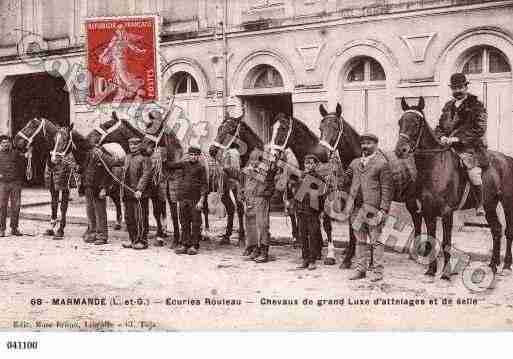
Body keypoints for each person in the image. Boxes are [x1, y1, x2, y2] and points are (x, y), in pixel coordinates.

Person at [435, 72, 488, 215]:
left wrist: (458, 139)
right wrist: (441, 137)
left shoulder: (476, 105)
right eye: (454, 88)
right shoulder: (448, 106)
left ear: (466, 87)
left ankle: (480, 204)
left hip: (470, 147)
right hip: (448, 147)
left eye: (460, 87)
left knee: (473, 173)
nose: (457, 91)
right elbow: (439, 126)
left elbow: (479, 128)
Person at [344, 133, 392, 282]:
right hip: (356, 209)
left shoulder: (382, 163)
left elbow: (387, 189)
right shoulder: (355, 163)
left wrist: (383, 210)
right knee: (360, 241)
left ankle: (378, 272)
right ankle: (360, 270)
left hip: (373, 209)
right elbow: (344, 180)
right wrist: (335, 169)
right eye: (363, 143)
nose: (365, 146)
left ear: (376, 145)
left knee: (376, 241)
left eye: (369, 143)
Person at [165, 146, 208, 255]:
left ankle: (194, 245)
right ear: (188, 155)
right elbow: (171, 166)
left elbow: (204, 185)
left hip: (195, 199)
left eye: (195, 155)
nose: (193, 157)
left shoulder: (201, 168)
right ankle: (185, 244)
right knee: (184, 222)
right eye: (191, 155)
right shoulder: (184, 164)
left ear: (198, 156)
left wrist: (201, 200)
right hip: (183, 198)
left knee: (195, 223)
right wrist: (164, 157)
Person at [240, 149, 275, 263]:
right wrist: (242, 196)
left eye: (257, 160)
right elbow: (242, 185)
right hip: (249, 201)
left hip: (261, 200)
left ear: (261, 162)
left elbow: (271, 186)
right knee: (251, 225)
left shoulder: (265, 172)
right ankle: (255, 248)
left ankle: (264, 251)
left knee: (262, 225)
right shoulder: (246, 171)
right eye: (252, 160)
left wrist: (266, 194)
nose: (254, 162)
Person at [82, 145, 122, 245]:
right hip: (88, 187)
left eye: (96, 147)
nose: (94, 149)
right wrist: (77, 169)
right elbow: (84, 169)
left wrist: (104, 188)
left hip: (98, 189)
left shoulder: (104, 157)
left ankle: (102, 236)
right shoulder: (88, 155)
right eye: (92, 147)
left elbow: (109, 171)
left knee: (100, 213)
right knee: (90, 211)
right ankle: (92, 233)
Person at [292, 154, 324, 270]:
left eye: (312, 163)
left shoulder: (319, 178)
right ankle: (305, 259)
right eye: (307, 163)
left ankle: (312, 260)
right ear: (304, 165)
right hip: (301, 211)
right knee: (303, 235)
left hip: (312, 211)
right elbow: (297, 194)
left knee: (313, 235)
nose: (309, 165)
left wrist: (319, 210)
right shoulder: (301, 177)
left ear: (316, 165)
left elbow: (320, 197)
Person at [121, 137, 153, 250]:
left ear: (140, 145)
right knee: (129, 217)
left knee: (141, 217)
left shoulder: (145, 158)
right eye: (131, 144)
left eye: (135, 144)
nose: (133, 146)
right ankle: (132, 239)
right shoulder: (128, 157)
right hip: (128, 193)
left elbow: (146, 175)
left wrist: (140, 189)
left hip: (140, 194)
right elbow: (118, 164)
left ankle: (142, 241)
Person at [0, 135, 25, 237]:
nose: (6, 144)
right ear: (0, 144)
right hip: (2, 183)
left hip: (15, 183)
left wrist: (28, 155)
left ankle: (14, 228)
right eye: (3, 143)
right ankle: (2, 229)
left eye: (7, 142)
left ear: (10, 143)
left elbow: (23, 164)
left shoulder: (15, 153)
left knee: (16, 206)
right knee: (2, 206)